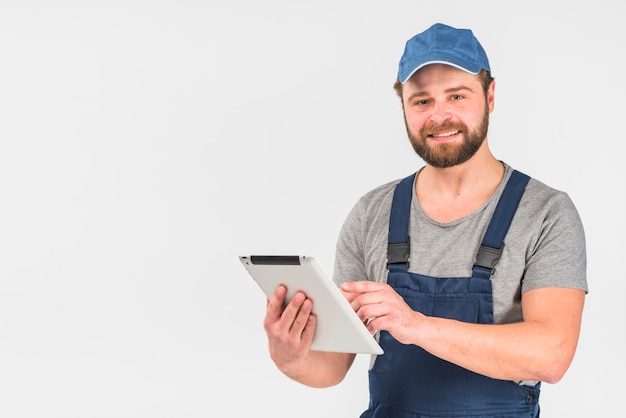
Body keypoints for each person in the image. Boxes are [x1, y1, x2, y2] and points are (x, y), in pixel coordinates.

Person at [263, 22, 587, 417]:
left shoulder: (545, 213)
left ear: (491, 96)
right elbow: (332, 364)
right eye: (421, 101)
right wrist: (290, 355)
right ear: (403, 106)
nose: (439, 115)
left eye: (456, 95)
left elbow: (551, 354)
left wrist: (416, 326)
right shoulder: (371, 214)